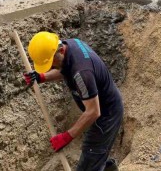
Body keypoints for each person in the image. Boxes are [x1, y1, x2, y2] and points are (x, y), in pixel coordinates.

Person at [24, 31, 122, 171]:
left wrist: (66, 137)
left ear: (61, 50)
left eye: (51, 63)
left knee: (89, 160)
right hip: (103, 107)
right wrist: (42, 77)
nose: (51, 66)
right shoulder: (70, 46)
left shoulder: (82, 73)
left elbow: (93, 111)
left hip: (106, 116)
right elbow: (65, 69)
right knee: (95, 157)